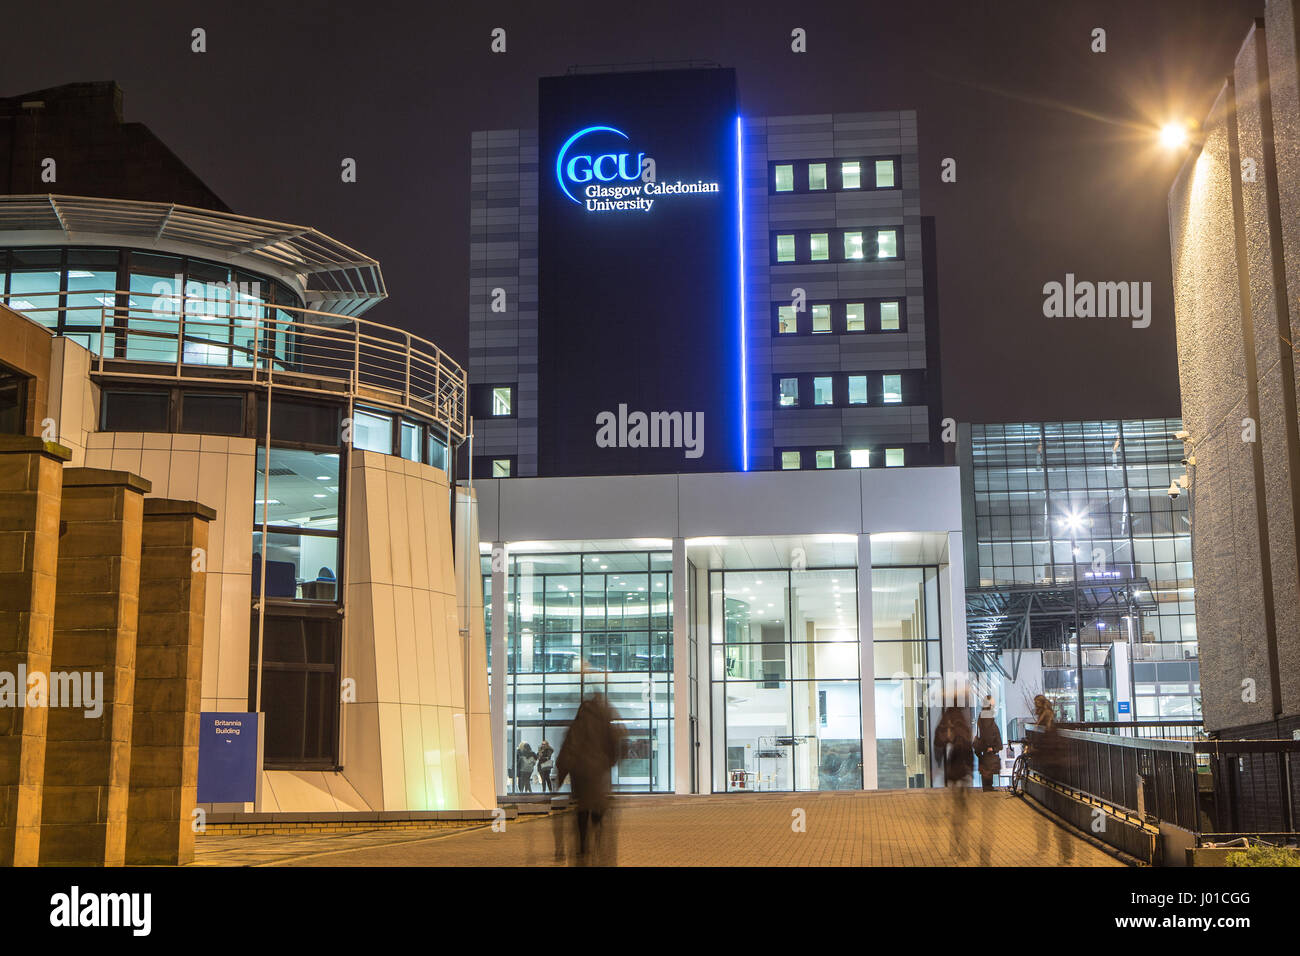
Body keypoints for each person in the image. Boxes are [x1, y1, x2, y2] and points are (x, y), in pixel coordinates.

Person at [556, 691, 624, 863]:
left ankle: (582, 846)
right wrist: (610, 761)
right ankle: (598, 829)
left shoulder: (578, 724)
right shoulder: (604, 722)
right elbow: (616, 742)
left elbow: (568, 748)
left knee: (582, 808)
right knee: (598, 805)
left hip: (580, 775)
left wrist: (561, 774)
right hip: (599, 773)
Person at [934, 698, 975, 860]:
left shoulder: (953, 721)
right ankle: (959, 850)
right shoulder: (962, 722)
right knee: (960, 814)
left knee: (958, 815)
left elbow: (939, 740)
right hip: (963, 774)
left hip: (958, 775)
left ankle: (958, 849)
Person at [973, 695, 1003, 792]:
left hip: (985, 747)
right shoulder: (986, 715)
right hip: (988, 747)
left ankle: (988, 787)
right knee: (987, 766)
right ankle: (988, 788)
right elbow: (987, 732)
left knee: (986, 767)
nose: (994, 702)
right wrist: (990, 746)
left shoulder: (984, 714)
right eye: (993, 701)